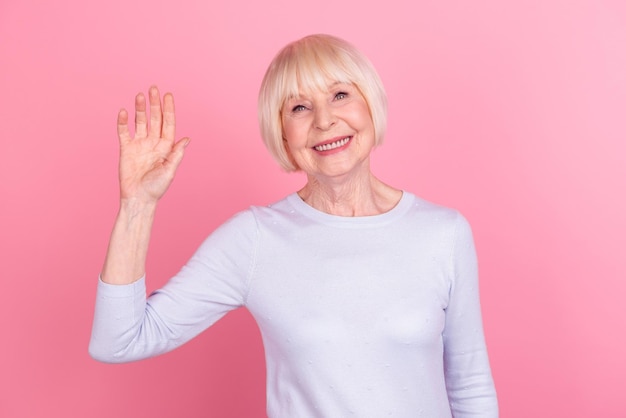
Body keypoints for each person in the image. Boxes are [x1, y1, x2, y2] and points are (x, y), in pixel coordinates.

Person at [89, 34, 498, 417]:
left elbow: (469, 384)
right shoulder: (254, 239)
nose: (324, 120)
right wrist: (137, 206)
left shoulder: (443, 233)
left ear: (370, 106)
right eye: (299, 107)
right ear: (282, 135)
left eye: (340, 94)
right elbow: (118, 341)